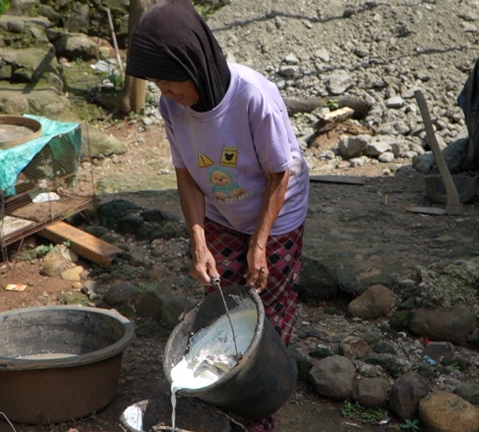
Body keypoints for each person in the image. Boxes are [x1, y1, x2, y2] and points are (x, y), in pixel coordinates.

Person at [125, 1, 310, 430]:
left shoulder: (253, 96)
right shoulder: (171, 106)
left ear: (195, 63)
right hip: (222, 214)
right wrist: (198, 241)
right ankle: (220, 401)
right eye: (157, 84)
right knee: (221, 309)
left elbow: (279, 174)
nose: (166, 92)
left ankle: (259, 411)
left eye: (170, 81)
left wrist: (259, 245)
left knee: (266, 316)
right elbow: (187, 177)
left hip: (277, 217)